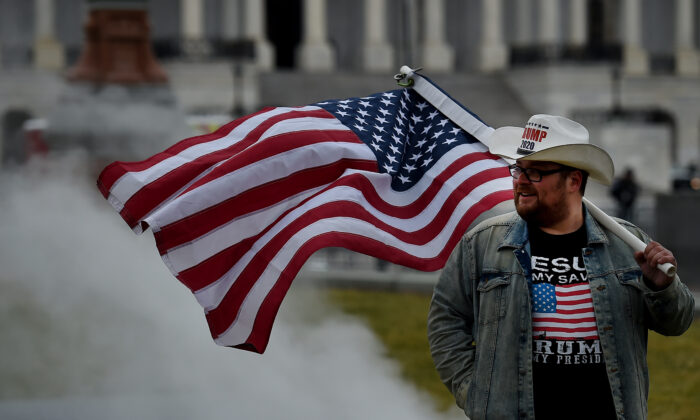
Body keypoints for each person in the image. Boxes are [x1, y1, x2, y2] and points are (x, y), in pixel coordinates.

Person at [427, 114, 694, 419]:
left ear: (574, 181)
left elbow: (679, 322)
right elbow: (445, 320)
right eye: (519, 169)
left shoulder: (627, 244)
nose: (521, 181)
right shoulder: (483, 243)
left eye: (536, 173)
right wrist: (473, 392)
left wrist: (662, 287)